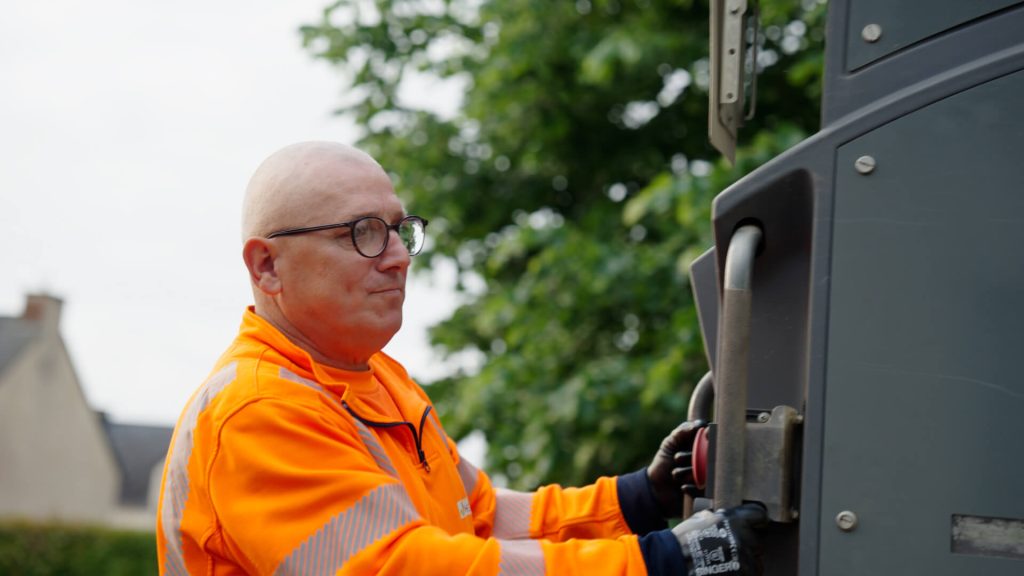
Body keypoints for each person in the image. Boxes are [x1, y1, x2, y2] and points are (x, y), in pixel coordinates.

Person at [156, 141, 766, 576]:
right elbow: (408, 567)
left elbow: (481, 516)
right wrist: (657, 562)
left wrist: (637, 500)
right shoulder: (257, 411)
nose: (397, 256)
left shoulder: (379, 381)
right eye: (363, 232)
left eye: (400, 230)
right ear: (266, 265)